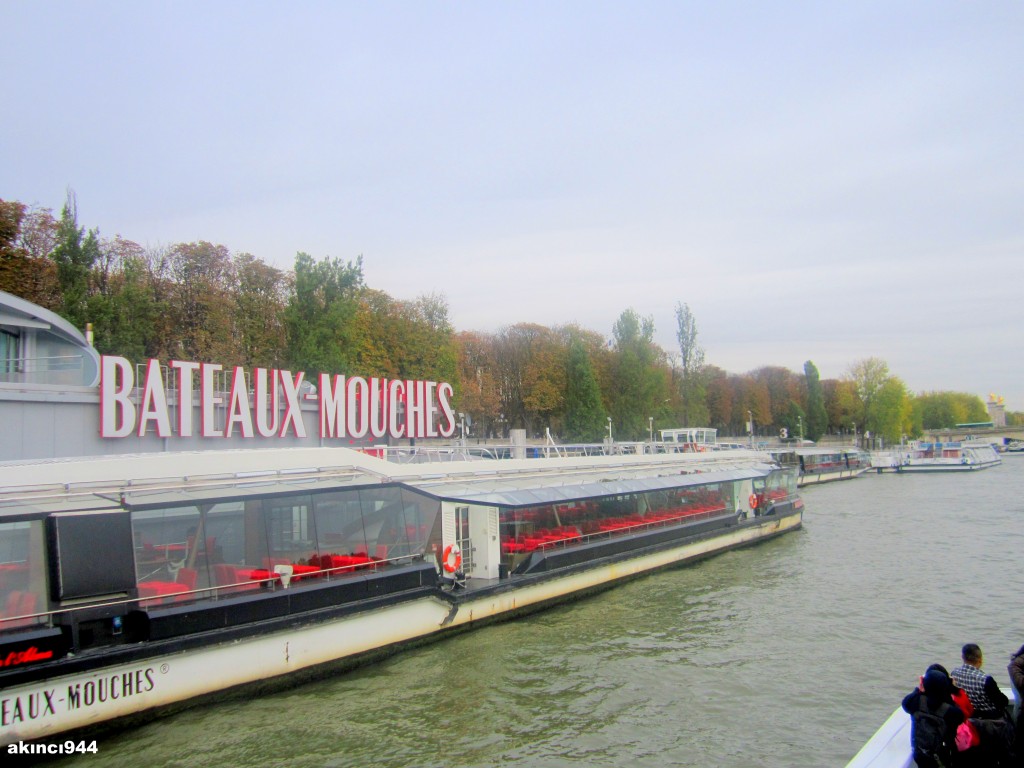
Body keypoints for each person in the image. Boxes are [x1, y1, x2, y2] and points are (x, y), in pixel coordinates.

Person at [903, 667, 966, 768]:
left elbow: (905, 702)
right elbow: (961, 716)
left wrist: (919, 689)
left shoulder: (916, 702)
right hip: (942, 757)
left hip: (920, 754)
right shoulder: (949, 711)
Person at [952, 643, 1010, 719]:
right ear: (980, 659)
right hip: (988, 721)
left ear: (962, 657)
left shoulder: (954, 674)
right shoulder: (985, 680)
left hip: (966, 718)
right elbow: (1002, 702)